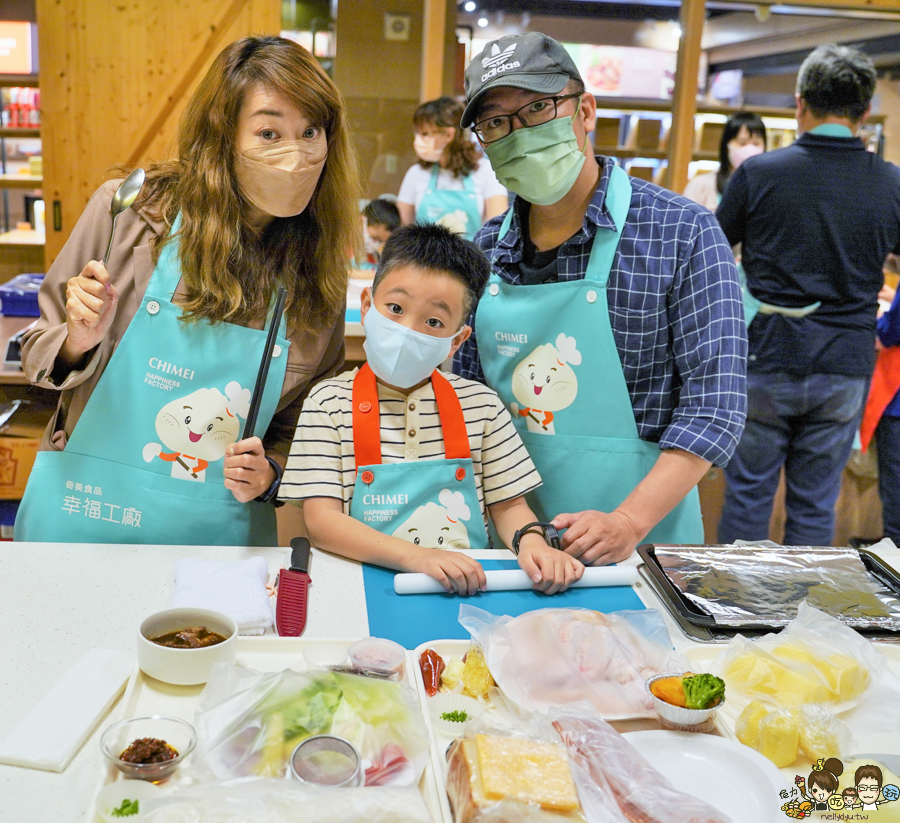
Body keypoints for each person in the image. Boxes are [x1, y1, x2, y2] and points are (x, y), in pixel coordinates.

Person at [15, 36, 361, 546]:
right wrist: (77, 340)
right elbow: (36, 352)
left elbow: (302, 420)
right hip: (85, 512)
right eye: (268, 132)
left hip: (213, 542)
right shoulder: (131, 214)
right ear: (222, 136)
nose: (294, 154)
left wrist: (272, 470)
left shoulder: (317, 271)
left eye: (310, 130)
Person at [453, 32, 747, 566]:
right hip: (513, 548)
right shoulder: (485, 249)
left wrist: (628, 521)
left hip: (646, 548)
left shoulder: (683, 233)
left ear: (585, 110)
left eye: (539, 107)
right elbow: (469, 405)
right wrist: (522, 534)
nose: (519, 134)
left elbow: (715, 409)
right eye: (495, 123)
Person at [280, 222, 585, 595]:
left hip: (468, 587)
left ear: (457, 340)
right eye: (395, 308)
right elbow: (322, 522)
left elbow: (510, 508)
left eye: (434, 321)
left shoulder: (483, 407)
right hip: (362, 588)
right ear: (365, 307)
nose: (408, 329)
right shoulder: (327, 403)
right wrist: (418, 558)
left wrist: (532, 543)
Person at [716, 44, 900, 546]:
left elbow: (708, 255)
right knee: (816, 505)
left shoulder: (758, 174)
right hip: (845, 364)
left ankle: (729, 616)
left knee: (748, 496)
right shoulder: (892, 184)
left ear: (800, 103)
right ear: (864, 113)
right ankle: (803, 622)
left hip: (763, 357)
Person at [397, 96, 507, 240]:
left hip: (471, 260)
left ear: (448, 134)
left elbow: (497, 231)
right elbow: (403, 229)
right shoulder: (416, 173)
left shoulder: (486, 171)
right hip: (424, 261)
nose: (418, 140)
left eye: (425, 134)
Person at [682, 111, 767, 212]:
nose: (750, 149)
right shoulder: (701, 185)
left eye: (756, 144)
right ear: (727, 146)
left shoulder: (768, 188)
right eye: (742, 143)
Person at [361, 198, 400, 266]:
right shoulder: (339, 249)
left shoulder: (374, 258)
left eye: (381, 242)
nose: (375, 244)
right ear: (362, 221)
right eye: (375, 237)